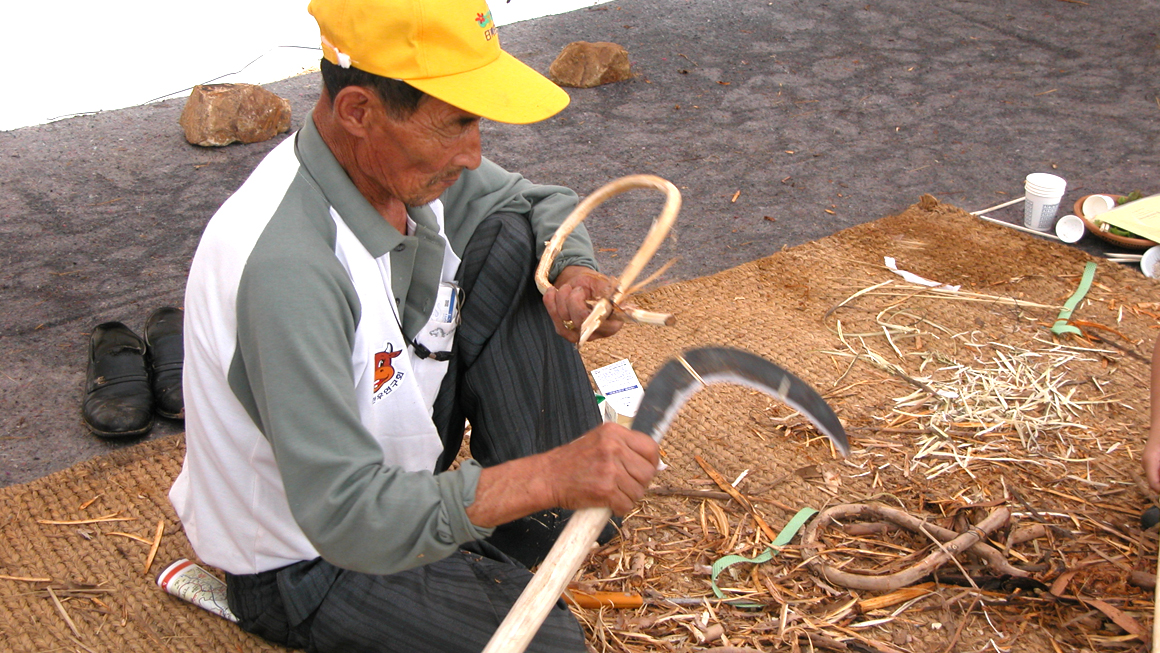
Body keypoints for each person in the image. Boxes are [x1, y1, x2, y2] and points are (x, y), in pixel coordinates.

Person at [168, 1, 661, 651]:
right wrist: (548, 473)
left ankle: (517, 525)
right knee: (549, 643)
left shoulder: (394, 164)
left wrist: (571, 271)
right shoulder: (288, 267)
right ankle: (289, 599)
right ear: (359, 112)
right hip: (310, 557)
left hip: (394, 472)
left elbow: (534, 203)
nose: (473, 151)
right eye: (454, 123)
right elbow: (344, 513)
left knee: (513, 239)